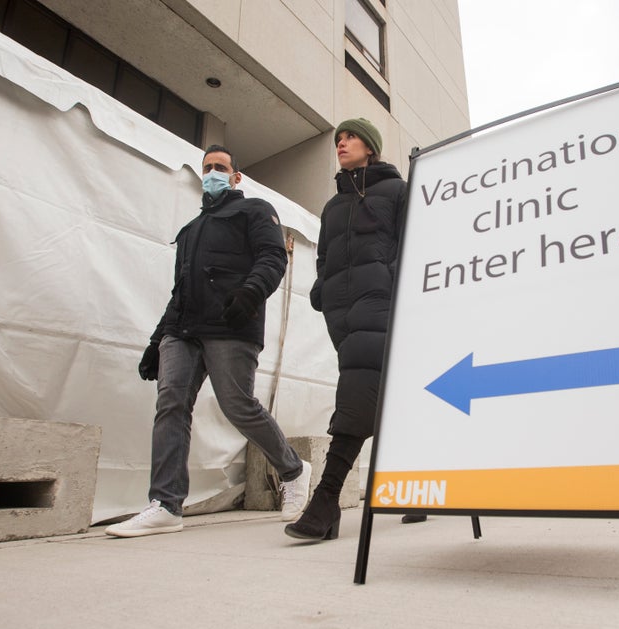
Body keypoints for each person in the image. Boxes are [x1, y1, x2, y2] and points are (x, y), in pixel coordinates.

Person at [106, 145, 311, 538]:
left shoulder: (254, 210)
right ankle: (166, 505)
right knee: (171, 405)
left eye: (220, 167)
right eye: (207, 168)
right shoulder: (190, 230)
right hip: (182, 331)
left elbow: (272, 257)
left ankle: (294, 469)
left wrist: (250, 293)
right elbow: (180, 290)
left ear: (236, 176)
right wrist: (156, 341)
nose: (212, 173)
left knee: (238, 405)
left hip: (231, 324)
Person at [285, 118, 420, 541]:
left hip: (379, 302)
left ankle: (325, 500)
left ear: (371, 147)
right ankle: (417, 486)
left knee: (356, 392)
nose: (341, 144)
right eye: (338, 139)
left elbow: (413, 242)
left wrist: (389, 279)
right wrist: (322, 290)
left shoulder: (397, 191)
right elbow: (324, 257)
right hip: (340, 313)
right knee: (385, 396)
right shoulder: (333, 207)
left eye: (350, 137)